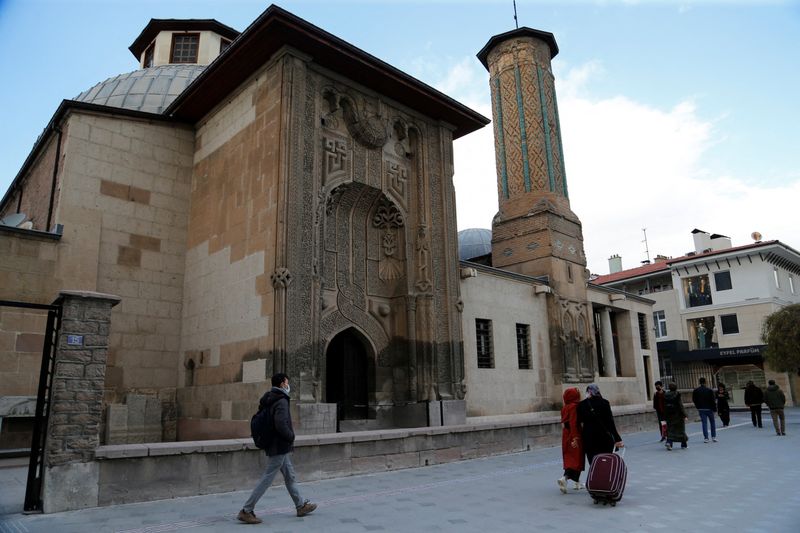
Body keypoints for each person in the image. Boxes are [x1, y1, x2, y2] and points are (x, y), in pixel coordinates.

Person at [238, 373, 317, 525]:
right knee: (267, 478)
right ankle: (246, 510)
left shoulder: (270, 397)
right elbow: (280, 423)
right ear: (282, 384)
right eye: (287, 381)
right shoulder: (281, 400)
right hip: (279, 445)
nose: (288, 384)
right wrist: (291, 436)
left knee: (290, 475)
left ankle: (300, 506)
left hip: (276, 444)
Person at [577, 384, 623, 467]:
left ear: (589, 392)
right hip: (604, 438)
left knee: (593, 463)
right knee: (606, 462)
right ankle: (605, 478)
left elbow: (579, 421)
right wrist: (617, 438)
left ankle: (596, 478)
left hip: (589, 438)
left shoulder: (582, 405)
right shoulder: (604, 403)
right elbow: (610, 422)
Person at [558, 388, 585, 493]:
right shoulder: (574, 407)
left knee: (570, 458)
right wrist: (575, 437)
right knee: (577, 459)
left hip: (566, 434)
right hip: (574, 434)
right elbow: (573, 423)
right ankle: (565, 478)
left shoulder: (564, 408)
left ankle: (577, 482)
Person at [663, 382, 688, 450]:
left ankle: (669, 443)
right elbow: (680, 405)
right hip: (678, 415)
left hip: (669, 415)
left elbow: (664, 406)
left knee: (670, 430)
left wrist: (665, 415)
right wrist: (685, 415)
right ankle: (683, 444)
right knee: (681, 430)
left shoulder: (665, 395)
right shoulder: (677, 394)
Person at [692, 377, 717, 443]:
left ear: (699, 382)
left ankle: (706, 438)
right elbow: (712, 400)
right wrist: (714, 409)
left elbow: (694, 400)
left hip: (701, 408)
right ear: (706, 382)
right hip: (709, 408)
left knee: (704, 423)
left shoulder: (696, 390)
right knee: (712, 422)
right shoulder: (709, 390)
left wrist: (698, 406)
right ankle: (713, 437)